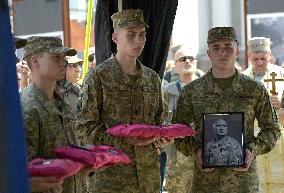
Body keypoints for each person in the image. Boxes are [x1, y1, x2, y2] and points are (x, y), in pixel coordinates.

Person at [174, 27, 281, 192]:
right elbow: (178, 130)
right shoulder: (192, 91)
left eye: (228, 47)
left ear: (237, 51)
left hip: (243, 183)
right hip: (205, 183)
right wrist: (195, 150)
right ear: (208, 53)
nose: (222, 53)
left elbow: (272, 129)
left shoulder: (254, 89)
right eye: (216, 48)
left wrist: (252, 150)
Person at [77, 9, 171, 193]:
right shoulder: (98, 77)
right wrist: (125, 140)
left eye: (142, 35)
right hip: (111, 179)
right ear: (115, 38)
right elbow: (84, 127)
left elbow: (159, 120)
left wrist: (163, 137)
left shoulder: (151, 78)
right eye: (131, 35)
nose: (138, 41)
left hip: (148, 178)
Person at [20, 36, 87, 193]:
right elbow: (21, 170)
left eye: (63, 57)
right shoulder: (28, 108)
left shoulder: (61, 100)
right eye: (56, 57)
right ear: (35, 61)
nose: (63, 62)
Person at [243, 37, 284, 192]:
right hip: (253, 140)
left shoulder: (282, 74)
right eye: (256, 59)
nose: (260, 62)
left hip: (279, 140)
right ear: (249, 56)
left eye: (263, 58)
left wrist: (281, 104)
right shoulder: (242, 79)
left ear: (270, 55)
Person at [163, 63, 199, 193]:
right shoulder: (167, 91)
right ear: (176, 65)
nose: (188, 61)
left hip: (202, 157)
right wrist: (167, 150)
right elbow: (161, 123)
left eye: (191, 58)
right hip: (177, 159)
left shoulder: (208, 88)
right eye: (183, 59)